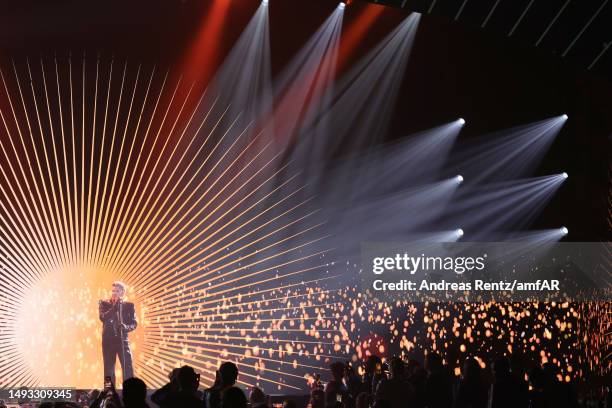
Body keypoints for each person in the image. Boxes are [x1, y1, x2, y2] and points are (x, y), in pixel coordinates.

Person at [99, 281, 137, 385]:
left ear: (122, 292)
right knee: (108, 368)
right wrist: (113, 308)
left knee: (127, 366)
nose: (114, 293)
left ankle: (130, 390)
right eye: (113, 291)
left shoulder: (129, 305)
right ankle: (109, 392)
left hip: (122, 340)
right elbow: (103, 317)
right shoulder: (104, 303)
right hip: (108, 341)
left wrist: (126, 327)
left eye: (117, 291)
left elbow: (134, 324)